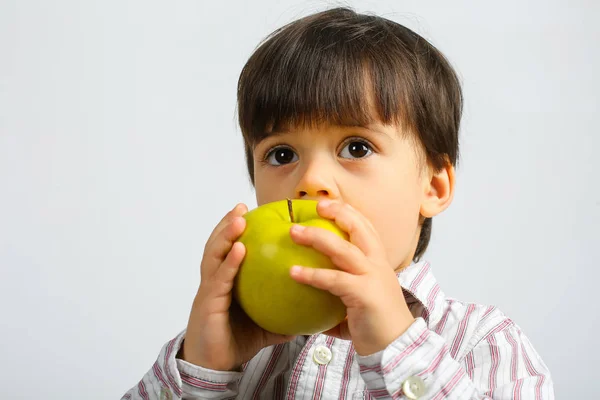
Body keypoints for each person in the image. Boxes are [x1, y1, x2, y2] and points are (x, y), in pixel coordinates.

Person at [121, 7, 554, 400]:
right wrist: (204, 370)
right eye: (282, 154)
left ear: (434, 187)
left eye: (357, 148)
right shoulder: (227, 349)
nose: (310, 181)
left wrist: (397, 347)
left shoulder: (485, 343)